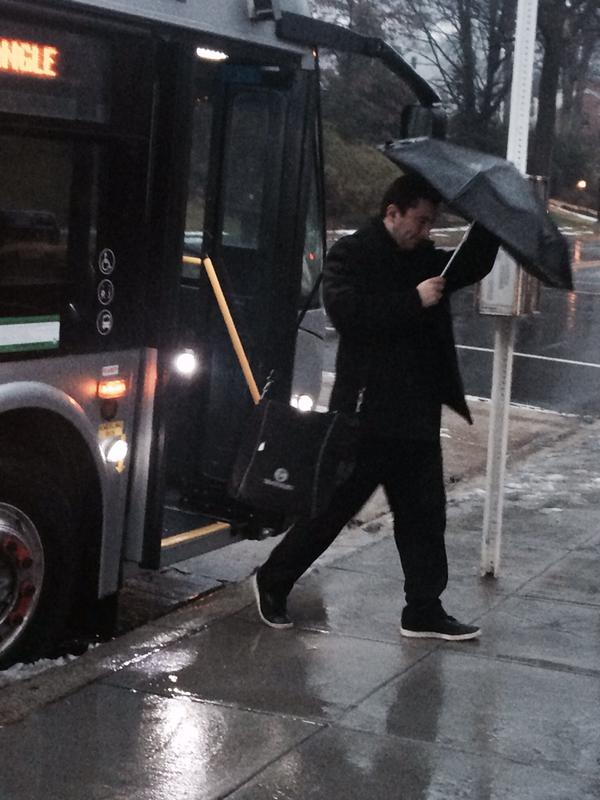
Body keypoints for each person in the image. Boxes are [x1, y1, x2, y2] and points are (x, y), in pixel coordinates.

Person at [253, 172, 500, 640]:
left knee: (425, 516)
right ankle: (272, 580)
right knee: (330, 510)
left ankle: (423, 609)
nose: (425, 231)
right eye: (420, 221)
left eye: (431, 223)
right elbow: (350, 315)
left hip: (417, 415)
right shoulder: (351, 253)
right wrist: (414, 300)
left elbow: (469, 267)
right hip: (365, 415)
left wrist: (489, 223)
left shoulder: (426, 258)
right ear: (393, 213)